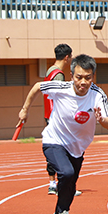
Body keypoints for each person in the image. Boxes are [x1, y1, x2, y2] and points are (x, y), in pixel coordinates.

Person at [17, 54, 108, 214]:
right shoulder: (61, 88)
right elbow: (37, 87)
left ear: (93, 77)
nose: (83, 82)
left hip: (77, 147)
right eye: (79, 77)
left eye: (88, 77)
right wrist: (24, 110)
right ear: (71, 75)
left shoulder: (98, 94)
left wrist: (102, 119)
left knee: (71, 185)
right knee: (66, 173)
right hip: (54, 140)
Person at [42, 44, 74, 195]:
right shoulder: (59, 74)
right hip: (56, 117)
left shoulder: (49, 70)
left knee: (54, 148)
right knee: (63, 150)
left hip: (48, 114)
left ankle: (52, 183)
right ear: (67, 57)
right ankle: (63, 185)